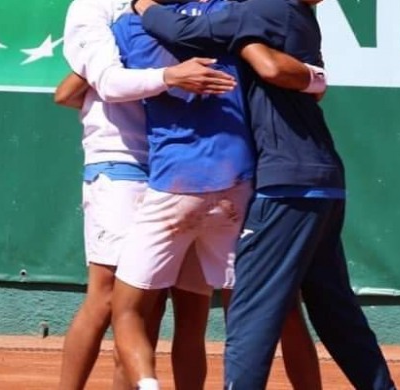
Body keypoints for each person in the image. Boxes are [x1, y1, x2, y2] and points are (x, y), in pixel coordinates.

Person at [133, 0, 398, 389]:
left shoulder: (262, 8)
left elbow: (181, 32)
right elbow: (287, 73)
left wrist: (142, 4)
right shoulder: (296, 17)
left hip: (286, 186)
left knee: (250, 312)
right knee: (336, 313)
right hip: (323, 182)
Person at [108, 1, 327, 389]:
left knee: (126, 310)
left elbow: (90, 84)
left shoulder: (129, 27)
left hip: (173, 187)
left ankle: (147, 385)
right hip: (235, 188)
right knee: (274, 312)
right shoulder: (230, 13)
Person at [57, 0, 237, 389]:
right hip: (121, 160)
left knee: (183, 309)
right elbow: (103, 81)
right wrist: (171, 75)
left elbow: (71, 90)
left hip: (179, 166)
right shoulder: (94, 8)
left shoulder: (188, 8)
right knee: (110, 297)